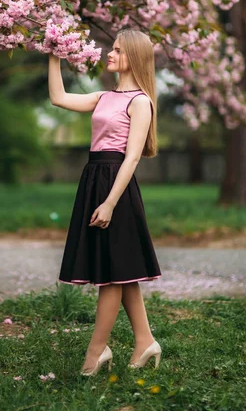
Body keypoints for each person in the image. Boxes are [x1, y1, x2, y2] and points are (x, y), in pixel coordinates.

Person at [48, 27, 162, 377]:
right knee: (121, 269)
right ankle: (144, 341)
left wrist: (111, 202)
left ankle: (96, 352)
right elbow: (58, 98)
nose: (108, 54)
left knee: (112, 275)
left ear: (134, 57)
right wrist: (53, 55)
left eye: (116, 50)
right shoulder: (103, 97)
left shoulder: (140, 101)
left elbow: (131, 159)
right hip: (94, 179)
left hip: (117, 187)